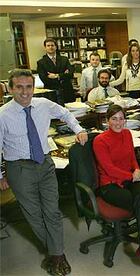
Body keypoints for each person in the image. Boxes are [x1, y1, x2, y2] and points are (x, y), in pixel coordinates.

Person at [0, 69, 88, 275]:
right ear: (11, 89)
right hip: (19, 168)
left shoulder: (43, 105)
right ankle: (57, 254)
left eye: (28, 87)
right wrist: (0, 175)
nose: (24, 92)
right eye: (19, 87)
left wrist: (79, 129)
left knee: (53, 212)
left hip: (45, 164)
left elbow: (65, 112)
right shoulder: (3, 115)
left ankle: (55, 254)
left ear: (34, 87)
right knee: (34, 214)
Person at [93, 104, 140, 267]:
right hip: (109, 185)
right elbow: (109, 169)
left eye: (121, 119)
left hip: (129, 179)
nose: (118, 123)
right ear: (107, 121)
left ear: (125, 120)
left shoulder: (126, 133)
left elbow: (132, 157)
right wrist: (135, 177)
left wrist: (138, 170)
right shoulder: (100, 141)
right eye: (114, 119)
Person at [37, 38, 75, 104]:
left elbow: (71, 74)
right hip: (52, 93)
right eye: (48, 46)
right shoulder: (41, 62)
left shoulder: (64, 59)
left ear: (56, 47)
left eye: (52, 45)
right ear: (45, 48)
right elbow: (44, 79)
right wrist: (64, 75)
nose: (50, 47)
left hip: (67, 92)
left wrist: (57, 76)